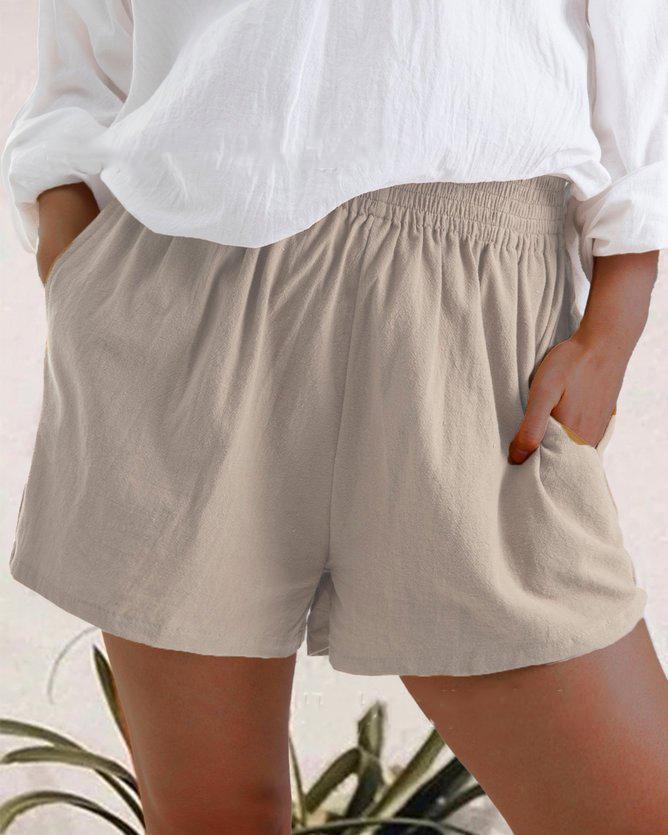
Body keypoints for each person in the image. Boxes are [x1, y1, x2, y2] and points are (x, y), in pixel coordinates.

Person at [3, 2, 667, 833]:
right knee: (211, 817)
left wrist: (619, 307)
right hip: (187, 279)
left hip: (471, 315)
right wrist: (71, 244)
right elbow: (85, 42)